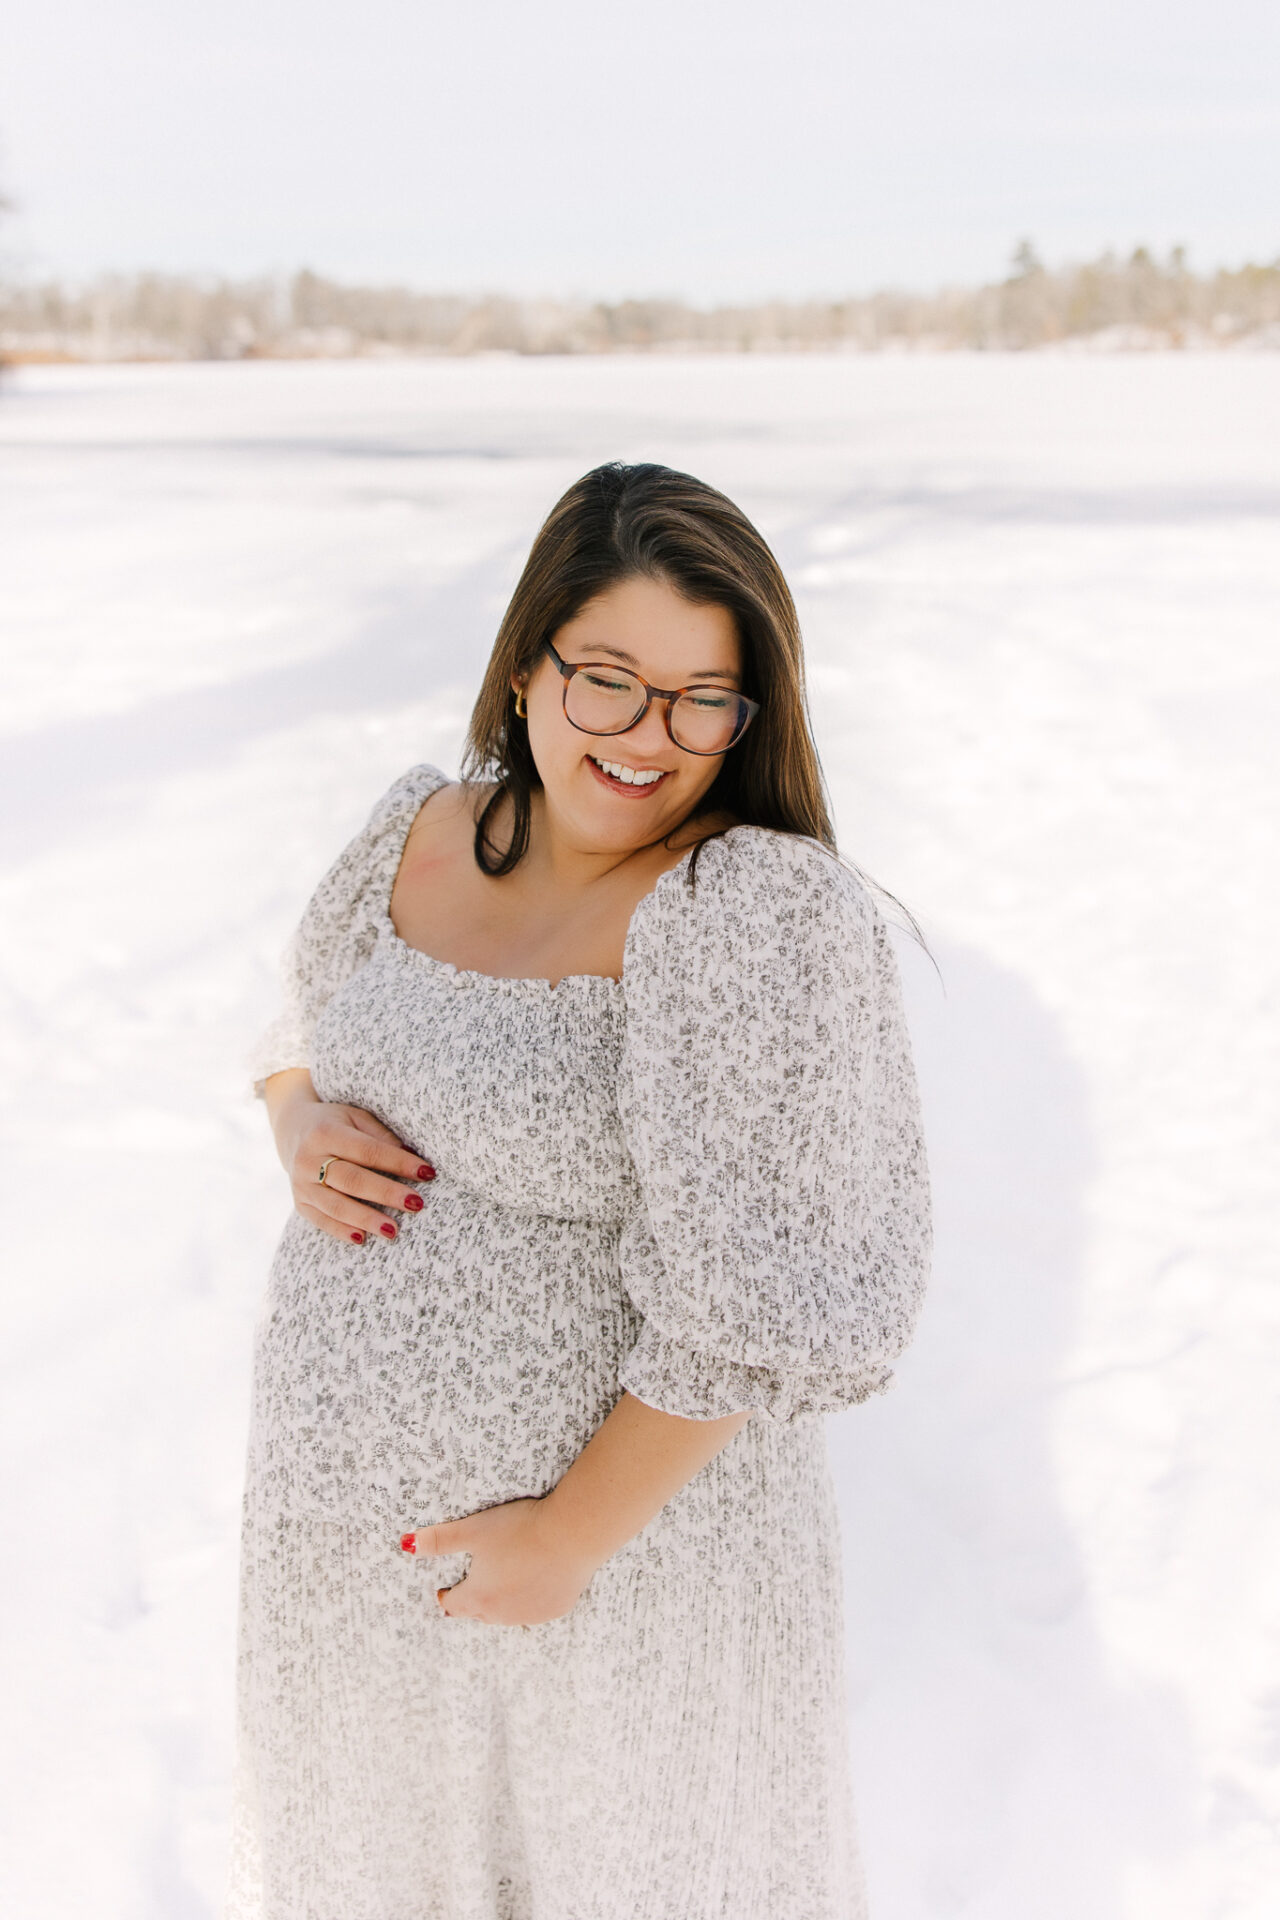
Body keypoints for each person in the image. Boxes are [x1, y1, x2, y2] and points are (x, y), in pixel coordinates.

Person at [224, 460, 932, 1920]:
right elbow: (297, 1021)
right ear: (528, 661)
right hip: (344, 1551)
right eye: (605, 678)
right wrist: (299, 1126)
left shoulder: (748, 911)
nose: (646, 736)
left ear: (750, 713)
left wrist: (567, 1542)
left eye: (700, 697)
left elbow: (766, 1301)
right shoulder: (418, 832)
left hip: (626, 1572)